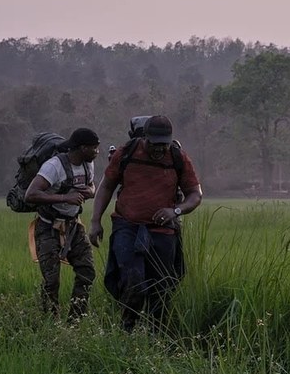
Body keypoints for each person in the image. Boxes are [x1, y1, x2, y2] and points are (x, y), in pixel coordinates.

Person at [89, 115, 203, 332]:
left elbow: (195, 195)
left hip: (163, 231)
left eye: (164, 144)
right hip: (127, 226)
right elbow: (106, 187)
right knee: (133, 280)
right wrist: (95, 221)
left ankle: (157, 334)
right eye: (154, 144)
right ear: (145, 138)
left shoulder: (178, 157)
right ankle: (127, 328)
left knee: (162, 287)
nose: (159, 149)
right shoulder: (126, 153)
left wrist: (175, 211)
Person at [23, 127, 101, 322]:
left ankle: (75, 322)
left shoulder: (87, 164)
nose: (97, 152)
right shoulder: (53, 166)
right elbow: (30, 194)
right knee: (51, 281)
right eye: (94, 148)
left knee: (87, 272)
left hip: (74, 226)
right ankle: (51, 324)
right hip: (48, 226)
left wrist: (90, 191)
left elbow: (92, 185)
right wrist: (65, 197)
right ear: (82, 148)